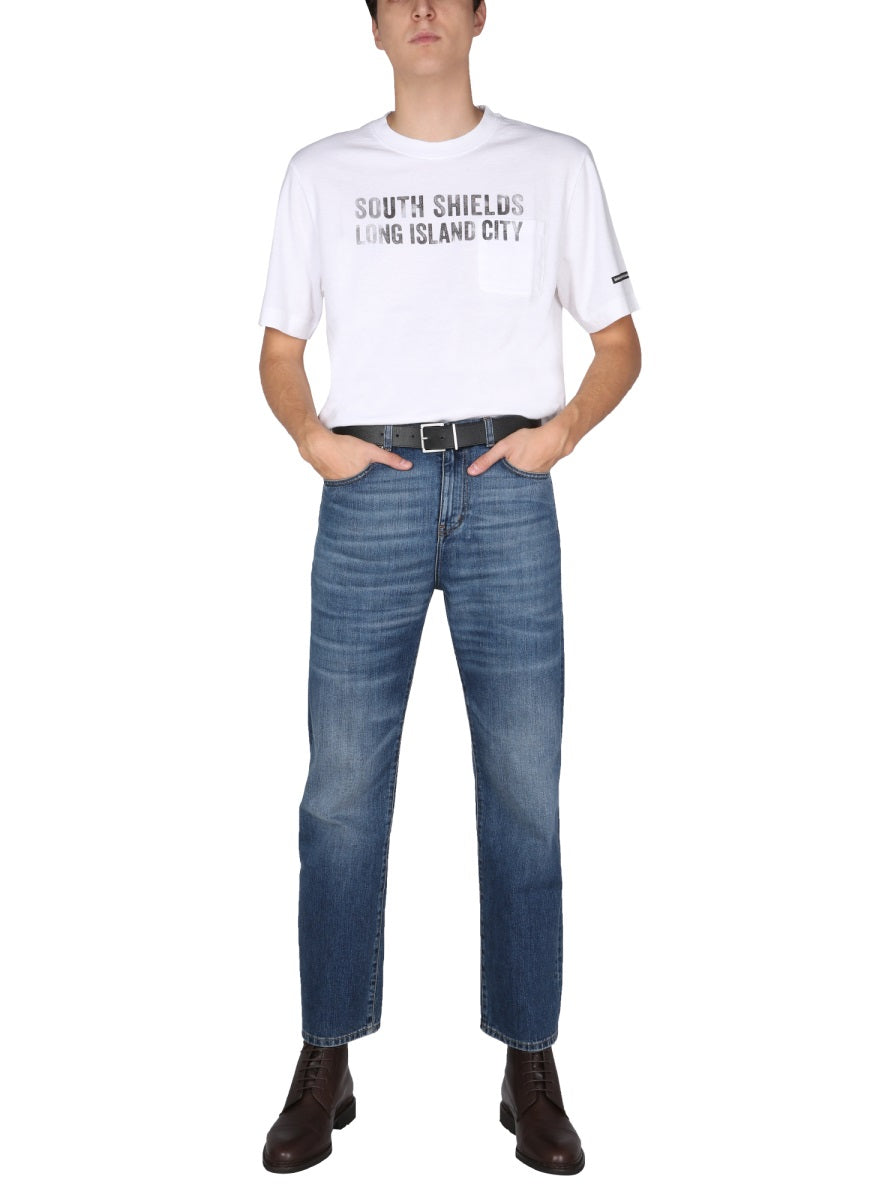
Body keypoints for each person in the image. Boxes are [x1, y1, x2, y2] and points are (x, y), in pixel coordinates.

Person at [256, 0, 641, 1176]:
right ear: (373, 27)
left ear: (480, 16)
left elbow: (619, 339)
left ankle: (530, 1064)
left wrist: (561, 433)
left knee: (524, 787)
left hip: (506, 488)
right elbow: (279, 348)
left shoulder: (554, 165)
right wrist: (311, 439)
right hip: (367, 488)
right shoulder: (321, 174)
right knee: (340, 792)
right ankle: (327, 1055)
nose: (422, 9)